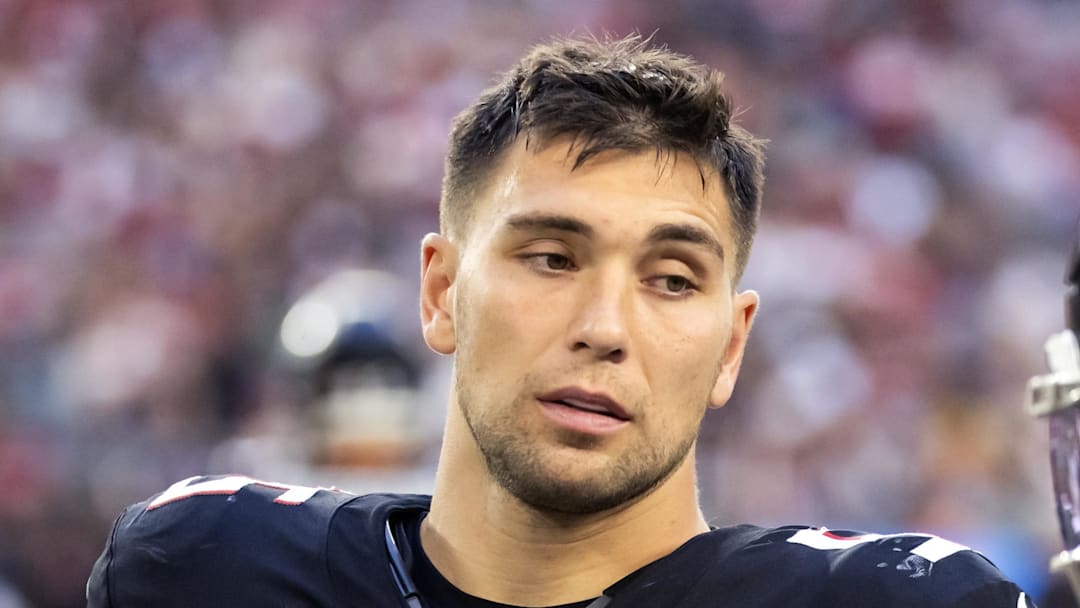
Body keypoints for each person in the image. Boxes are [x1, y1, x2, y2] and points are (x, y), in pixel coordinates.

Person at [86, 35, 1034, 608]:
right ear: (440, 292)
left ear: (731, 344)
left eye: (671, 278)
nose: (605, 325)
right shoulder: (204, 568)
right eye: (552, 257)